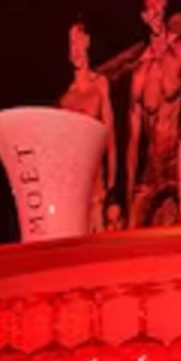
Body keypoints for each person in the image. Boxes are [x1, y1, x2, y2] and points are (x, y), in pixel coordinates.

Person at [124, 0, 181, 229]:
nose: (154, 11)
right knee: (134, 229)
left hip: (179, 157)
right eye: (148, 7)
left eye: (157, 2)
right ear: (143, 15)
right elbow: (132, 143)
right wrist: (130, 193)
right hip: (152, 165)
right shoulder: (139, 73)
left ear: (165, 2)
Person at [60, 20, 122, 230]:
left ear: (88, 41)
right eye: (71, 43)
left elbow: (110, 140)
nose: (75, 48)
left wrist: (112, 190)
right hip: (75, 194)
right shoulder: (66, 100)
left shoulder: (100, 86)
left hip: (98, 190)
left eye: (78, 40)